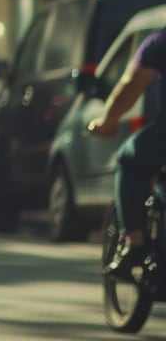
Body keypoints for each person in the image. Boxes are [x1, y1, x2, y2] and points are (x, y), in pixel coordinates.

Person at [87, 27, 166, 279]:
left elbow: (129, 85)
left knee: (127, 159)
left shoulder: (159, 41)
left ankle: (135, 244)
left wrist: (108, 120)